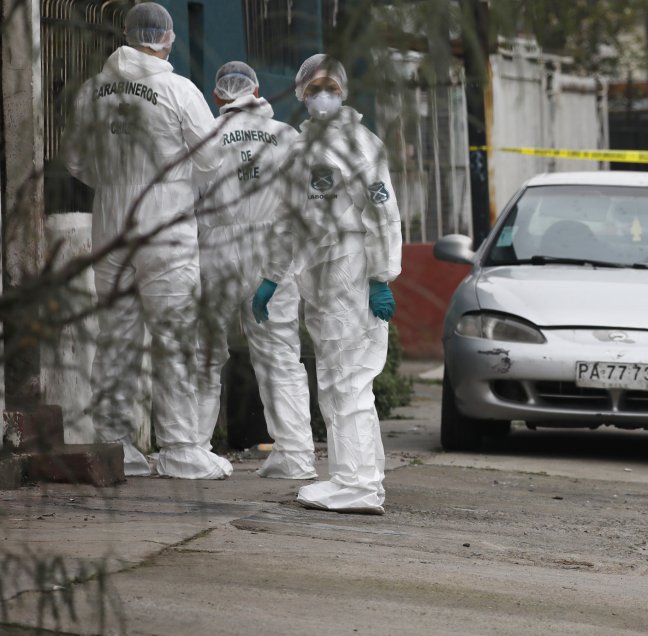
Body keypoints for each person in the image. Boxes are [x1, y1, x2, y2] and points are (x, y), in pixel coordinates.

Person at [63, 2, 231, 479]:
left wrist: (116, 181)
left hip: (111, 218)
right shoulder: (178, 89)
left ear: (125, 33)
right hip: (165, 219)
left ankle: (117, 448)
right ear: (168, 39)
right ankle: (180, 448)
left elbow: (75, 161)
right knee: (173, 335)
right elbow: (213, 156)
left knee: (115, 337)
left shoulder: (92, 92)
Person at [252, 54, 402, 513]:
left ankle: (357, 486)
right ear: (300, 92)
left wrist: (381, 276)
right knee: (339, 379)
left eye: (329, 86)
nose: (322, 94)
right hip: (319, 274)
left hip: (352, 268)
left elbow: (383, 213)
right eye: (314, 86)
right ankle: (358, 473)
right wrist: (272, 277)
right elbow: (286, 221)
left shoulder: (360, 143)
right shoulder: (299, 149)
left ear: (342, 90)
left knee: (348, 379)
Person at [194, 61, 315, 479]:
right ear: (259, 90)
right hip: (273, 250)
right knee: (280, 354)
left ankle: (193, 448)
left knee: (205, 352)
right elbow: (304, 204)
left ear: (217, 97)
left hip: (216, 248)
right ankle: (296, 453)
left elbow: (186, 197)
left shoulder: (206, 135)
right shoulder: (288, 136)